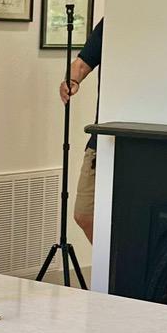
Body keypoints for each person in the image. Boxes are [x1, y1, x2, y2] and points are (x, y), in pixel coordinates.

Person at [60, 17, 103, 242]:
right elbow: (82, 63)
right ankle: (113, 261)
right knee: (85, 214)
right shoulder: (111, 22)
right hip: (102, 138)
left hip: (144, 140)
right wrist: (71, 80)